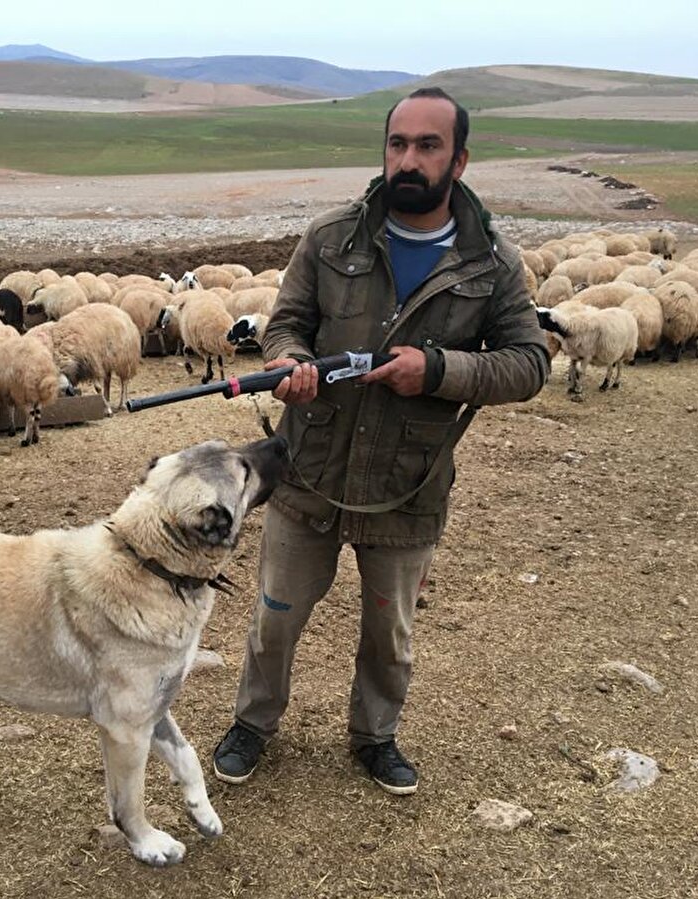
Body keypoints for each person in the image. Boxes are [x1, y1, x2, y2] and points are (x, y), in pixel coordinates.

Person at [212, 87, 550, 795]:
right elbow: (287, 323)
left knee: (389, 633)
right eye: (398, 144)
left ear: (459, 160)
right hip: (309, 473)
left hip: (407, 485)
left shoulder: (490, 263)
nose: (408, 160)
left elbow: (528, 363)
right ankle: (253, 723)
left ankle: (374, 736)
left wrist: (439, 371)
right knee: (275, 618)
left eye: (428, 146)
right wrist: (287, 363)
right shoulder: (330, 237)